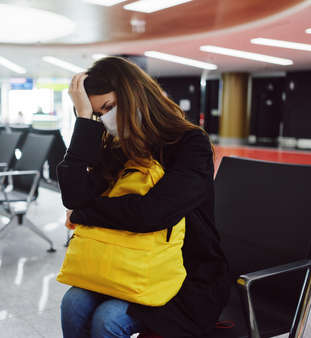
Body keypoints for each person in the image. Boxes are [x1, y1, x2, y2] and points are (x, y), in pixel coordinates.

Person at [57, 57, 230, 338]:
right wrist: (83, 121)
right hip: (124, 260)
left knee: (108, 319)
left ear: (134, 93)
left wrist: (83, 215)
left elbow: (151, 213)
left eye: (109, 108)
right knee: (72, 304)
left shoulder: (190, 143)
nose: (106, 119)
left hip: (187, 273)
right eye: (99, 114)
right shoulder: (118, 148)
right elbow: (75, 196)